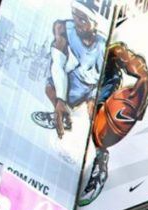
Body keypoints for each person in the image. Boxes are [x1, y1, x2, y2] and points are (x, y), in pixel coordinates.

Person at [77, 39, 148, 205]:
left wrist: (141, 92)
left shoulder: (110, 52)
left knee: (98, 125)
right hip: (81, 86)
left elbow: (140, 71)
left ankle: (100, 161)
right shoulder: (72, 45)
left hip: (103, 90)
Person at [32, 3, 109, 139]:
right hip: (78, 78)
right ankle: (63, 116)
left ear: (96, 23)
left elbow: (107, 79)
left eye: (83, 20)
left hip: (94, 83)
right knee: (50, 87)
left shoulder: (104, 46)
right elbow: (58, 64)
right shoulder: (63, 28)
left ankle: (98, 147)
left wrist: (94, 96)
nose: (77, 23)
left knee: (94, 113)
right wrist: (60, 99)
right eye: (75, 15)